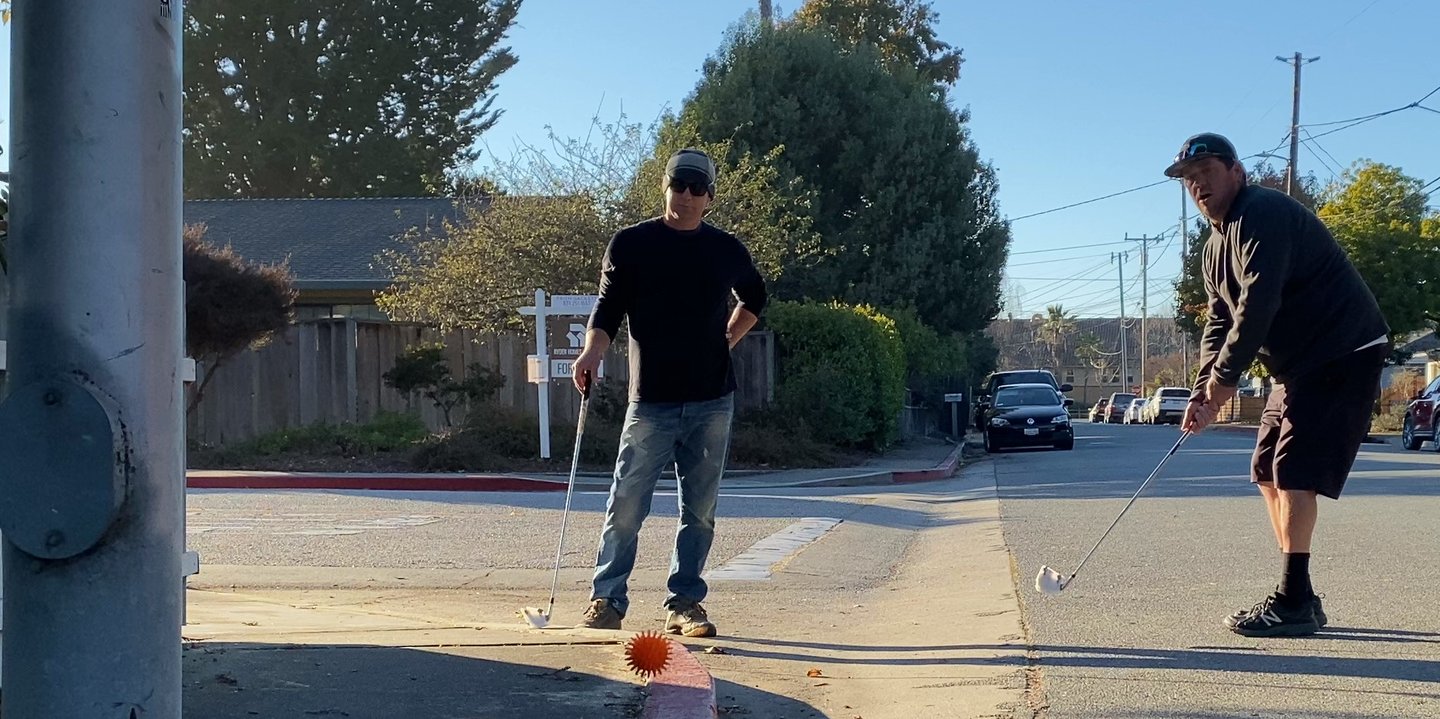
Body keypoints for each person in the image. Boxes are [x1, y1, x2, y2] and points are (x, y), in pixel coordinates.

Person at [1166, 132, 1390, 637]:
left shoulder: (1260, 213)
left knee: (1293, 471)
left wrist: (1225, 383)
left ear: (1236, 173)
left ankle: (1291, 601)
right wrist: (1205, 388)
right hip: (1298, 366)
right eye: (1190, 180)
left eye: (1207, 174)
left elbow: (1258, 306)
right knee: (1266, 469)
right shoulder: (1214, 248)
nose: (1199, 186)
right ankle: (1301, 596)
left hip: (1343, 349)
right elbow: (1220, 320)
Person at [570, 148, 768, 637]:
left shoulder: (726, 250)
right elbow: (608, 308)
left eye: (697, 188)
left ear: (710, 197)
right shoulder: (632, 244)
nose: (686, 194)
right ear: (666, 186)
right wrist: (592, 353)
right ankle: (607, 599)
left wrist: (729, 336)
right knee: (626, 504)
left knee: (699, 511)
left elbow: (755, 297)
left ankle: (685, 604)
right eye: (679, 184)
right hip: (651, 400)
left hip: (712, 399)